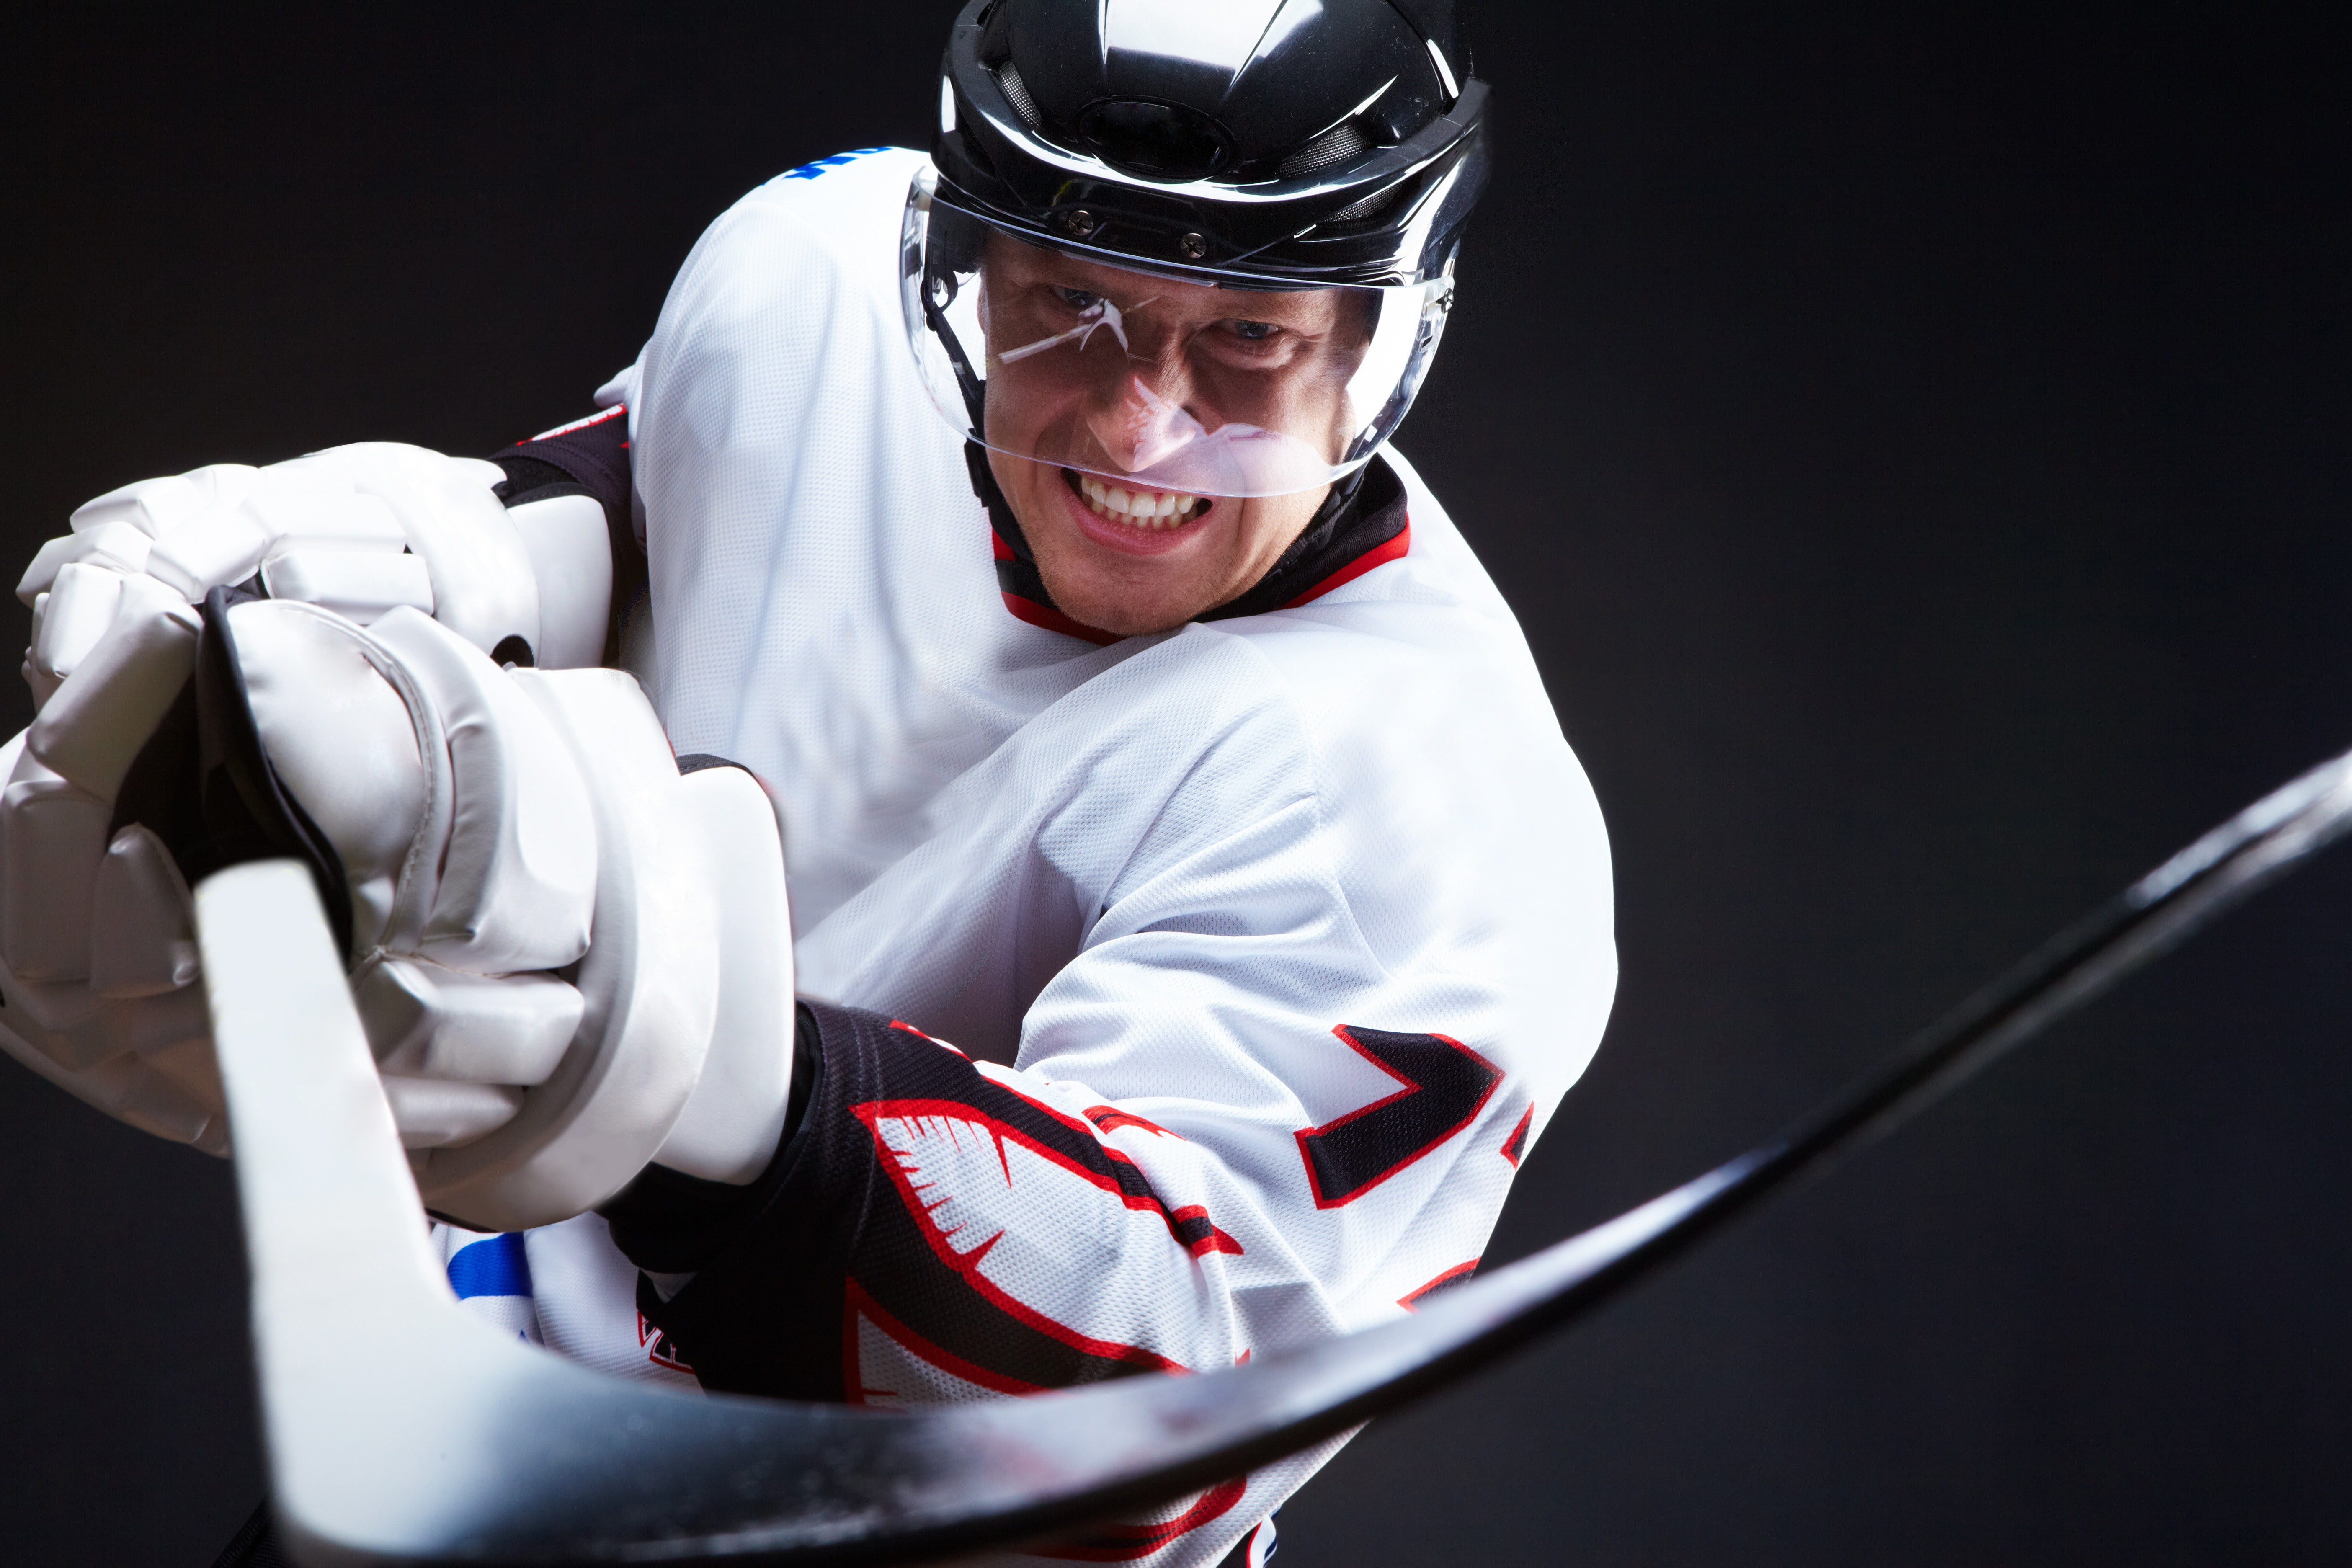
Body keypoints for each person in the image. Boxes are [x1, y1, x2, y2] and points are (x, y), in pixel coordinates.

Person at [0, 2, 1615, 1563]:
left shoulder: (1429, 801)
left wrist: (715, 1083)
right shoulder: (814, 274)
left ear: (1380, 338)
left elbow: (1163, 1416)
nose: (1143, 425)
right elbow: (687, 484)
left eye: (1250, 338)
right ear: (962, 270)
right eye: (1069, 304)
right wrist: (412, 571)